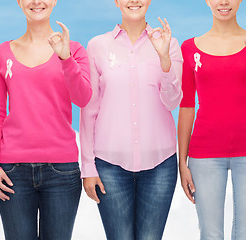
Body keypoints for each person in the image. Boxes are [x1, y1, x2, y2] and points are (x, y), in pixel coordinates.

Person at [0, 0, 93, 239]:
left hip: (62, 172)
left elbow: (83, 98)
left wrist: (66, 59)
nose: (36, 2)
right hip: (12, 172)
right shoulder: (2, 53)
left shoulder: (73, 49)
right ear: (20, 2)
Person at [80, 0, 182, 239]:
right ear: (116, 2)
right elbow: (89, 109)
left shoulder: (170, 43)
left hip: (161, 164)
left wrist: (164, 58)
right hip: (109, 165)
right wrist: (87, 166)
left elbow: (172, 101)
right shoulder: (97, 46)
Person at [177, 0, 246, 239]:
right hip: (204, 154)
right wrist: (182, 161)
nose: (223, 2)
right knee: (210, 234)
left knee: (245, 234)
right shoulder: (189, 48)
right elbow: (187, 105)